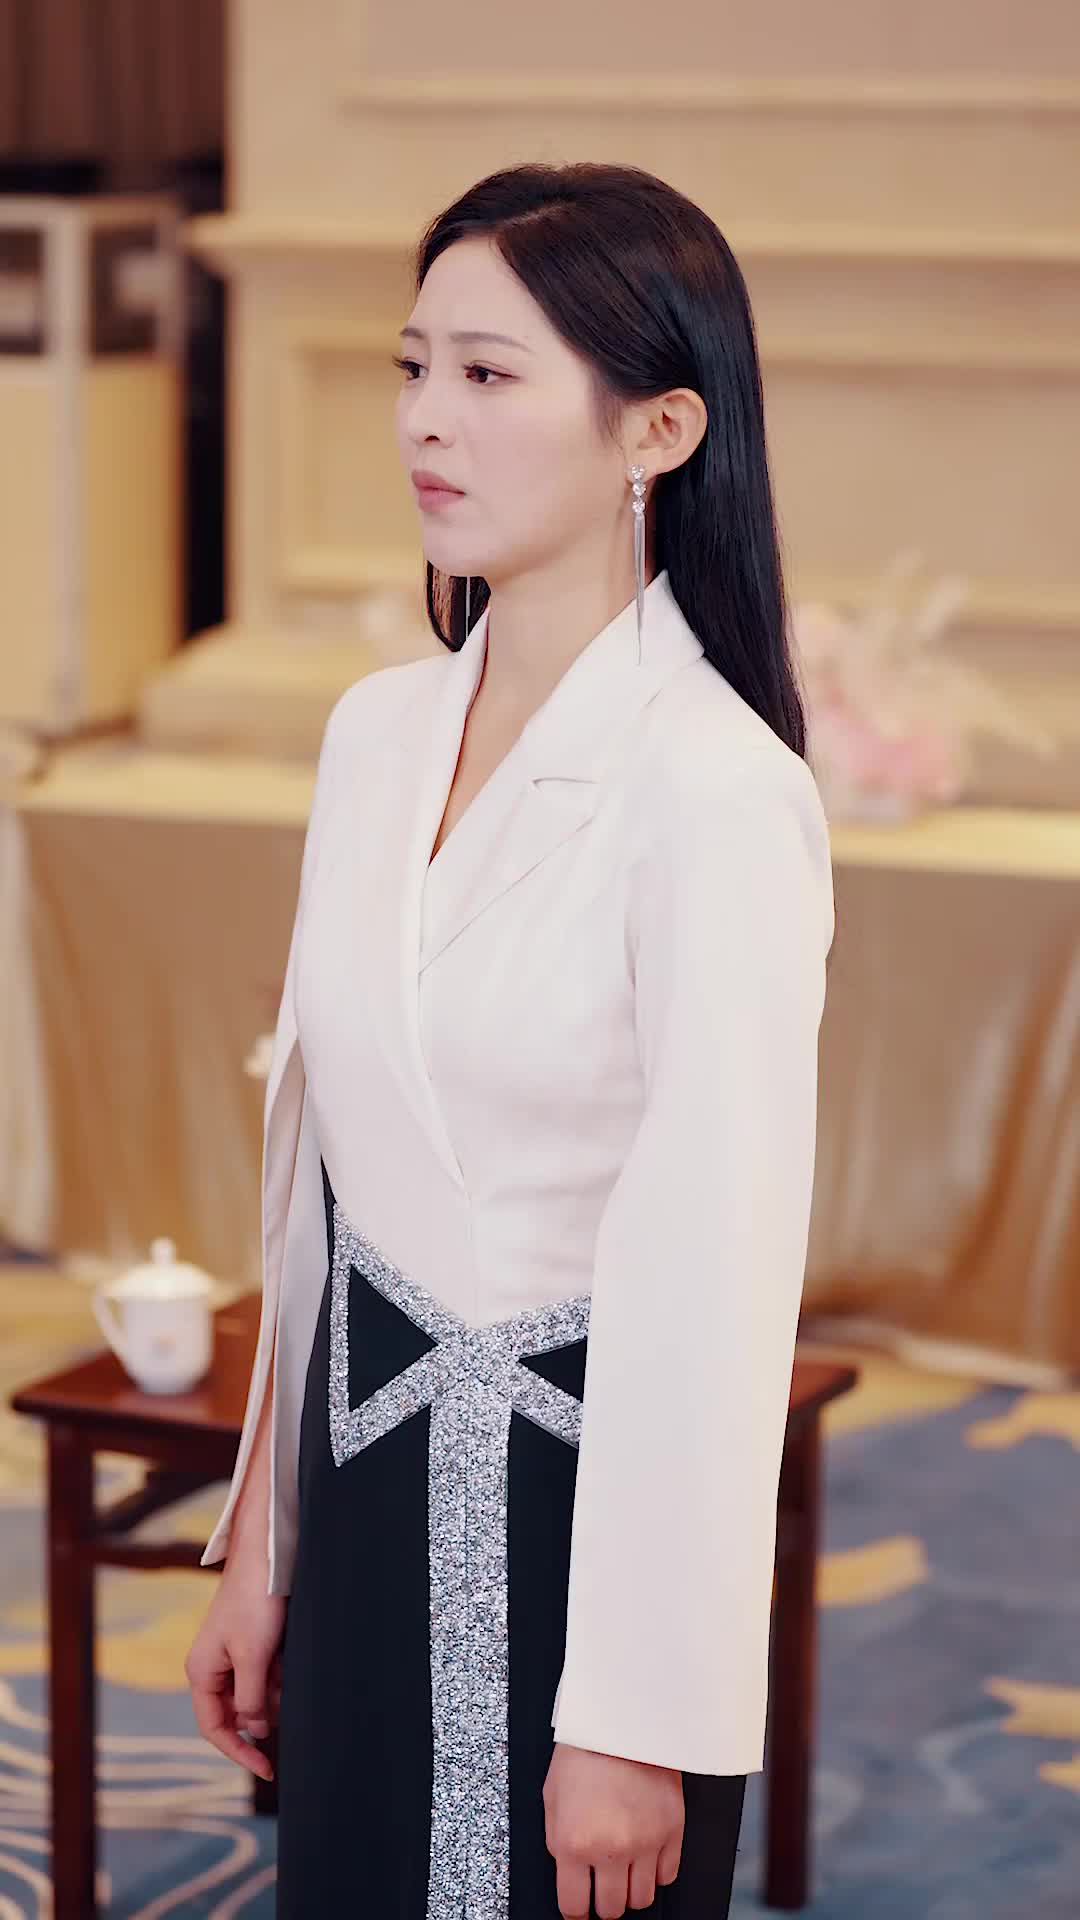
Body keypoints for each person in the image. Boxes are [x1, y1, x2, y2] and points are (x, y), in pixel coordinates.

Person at [186, 160, 835, 1920]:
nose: (424, 420)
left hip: (585, 1530)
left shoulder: (717, 792)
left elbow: (717, 1287)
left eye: (487, 375)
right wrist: (265, 1541)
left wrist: (633, 1718)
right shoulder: (374, 734)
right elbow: (322, 1176)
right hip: (364, 1484)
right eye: (414, 368)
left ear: (660, 431)